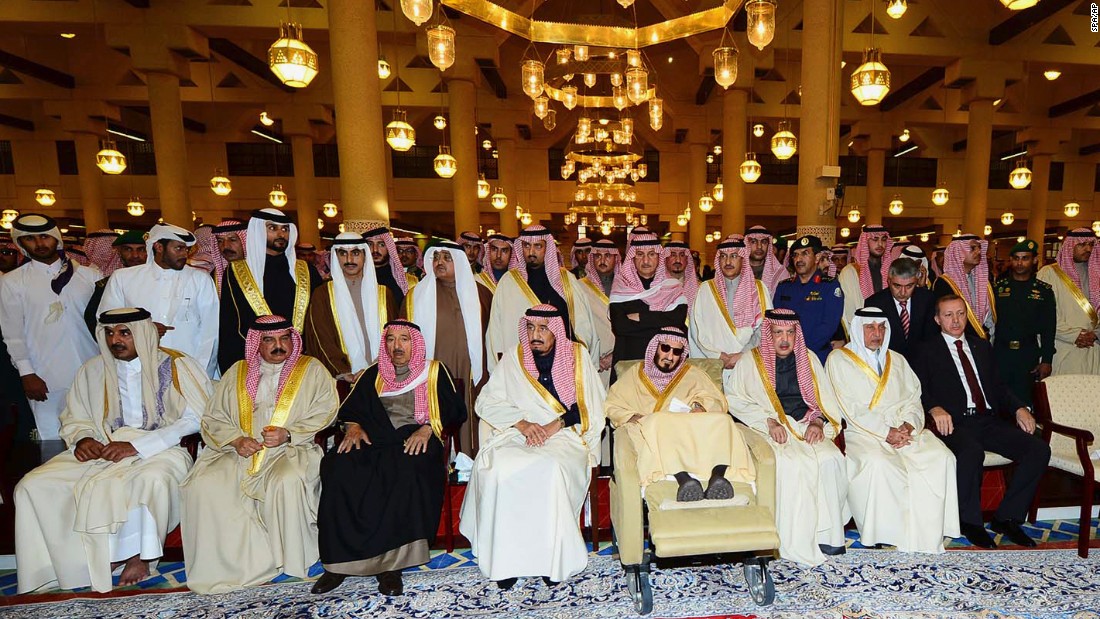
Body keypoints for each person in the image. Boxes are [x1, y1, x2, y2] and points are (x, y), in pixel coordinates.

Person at [15, 308, 211, 593]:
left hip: (162, 448)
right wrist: (82, 439)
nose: (114, 340)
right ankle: (61, 564)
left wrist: (136, 446)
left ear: (142, 332)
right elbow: (75, 416)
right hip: (104, 446)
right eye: (109, 333)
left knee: (150, 480)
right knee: (33, 485)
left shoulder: (178, 366)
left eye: (123, 333)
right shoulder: (92, 369)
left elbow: (197, 417)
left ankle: (138, 557)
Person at [181, 315, 339, 593]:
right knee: (203, 485)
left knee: (286, 481)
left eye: (284, 339)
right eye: (269, 340)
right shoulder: (237, 372)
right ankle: (229, 564)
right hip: (238, 452)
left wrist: (289, 433)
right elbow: (213, 417)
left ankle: (288, 560)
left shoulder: (311, 369)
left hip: (291, 450)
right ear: (257, 343)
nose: (278, 346)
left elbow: (327, 410)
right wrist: (235, 439)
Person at [313, 320, 465, 595]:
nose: (397, 346)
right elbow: (351, 410)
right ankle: (338, 564)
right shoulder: (375, 373)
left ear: (415, 343)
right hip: (375, 439)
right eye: (391, 340)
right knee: (338, 467)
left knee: (404, 470)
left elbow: (454, 410)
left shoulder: (433, 371)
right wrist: (354, 426)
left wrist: (427, 428)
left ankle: (390, 567)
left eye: (404, 339)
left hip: (414, 438)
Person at [460, 305, 606, 589]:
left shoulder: (577, 356)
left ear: (556, 331)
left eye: (542, 329)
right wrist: (521, 423)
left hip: (565, 434)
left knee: (549, 470)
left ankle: (551, 561)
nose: (535, 335)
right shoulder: (514, 359)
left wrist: (554, 426)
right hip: (518, 433)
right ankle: (505, 562)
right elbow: (486, 402)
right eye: (530, 328)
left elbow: (589, 407)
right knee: (499, 470)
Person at [909, 295, 1050, 548]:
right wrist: (934, 407)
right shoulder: (925, 350)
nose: (956, 320)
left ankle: (1007, 517)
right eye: (949, 315)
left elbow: (997, 386)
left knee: (1038, 449)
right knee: (971, 452)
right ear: (937, 319)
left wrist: (1019, 408)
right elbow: (917, 389)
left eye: (961, 313)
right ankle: (970, 522)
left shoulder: (981, 346)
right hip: (953, 423)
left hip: (987, 420)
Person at [825, 307, 959, 553]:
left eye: (881, 327)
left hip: (905, 429)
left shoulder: (897, 359)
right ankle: (887, 535)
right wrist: (886, 432)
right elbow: (850, 408)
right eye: (870, 327)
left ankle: (929, 532)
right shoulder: (838, 359)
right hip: (864, 432)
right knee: (879, 464)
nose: (877, 333)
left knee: (942, 458)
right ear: (857, 329)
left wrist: (908, 425)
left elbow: (913, 398)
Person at [723, 309, 847, 566]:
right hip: (768, 428)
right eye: (778, 332)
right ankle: (790, 538)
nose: (784, 339)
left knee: (831, 458)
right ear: (768, 334)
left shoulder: (809, 359)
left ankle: (826, 535)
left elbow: (827, 401)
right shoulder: (749, 362)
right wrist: (767, 421)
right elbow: (734, 400)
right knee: (792, 465)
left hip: (804, 425)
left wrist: (818, 421)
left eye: (790, 333)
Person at [605, 327, 754, 498]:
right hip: (652, 431)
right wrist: (634, 417)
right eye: (665, 348)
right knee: (658, 420)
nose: (669, 356)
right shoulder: (634, 375)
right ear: (655, 347)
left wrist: (700, 406)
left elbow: (717, 401)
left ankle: (717, 477)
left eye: (676, 352)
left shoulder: (692, 374)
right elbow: (612, 405)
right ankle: (683, 479)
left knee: (724, 421)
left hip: (690, 432)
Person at [0, 214, 100, 440]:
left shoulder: (88, 276)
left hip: (92, 367)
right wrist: (27, 373)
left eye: (44, 236)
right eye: (29, 239)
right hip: (44, 374)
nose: (38, 244)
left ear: (56, 238)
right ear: (20, 244)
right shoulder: (12, 282)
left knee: (98, 432)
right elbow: (12, 333)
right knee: (52, 437)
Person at [403, 241, 493, 456]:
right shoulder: (416, 296)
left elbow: (492, 333)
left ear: (460, 262)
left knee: (471, 415)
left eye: (446, 257)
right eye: (436, 257)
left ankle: (471, 460)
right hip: (433, 371)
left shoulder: (482, 294)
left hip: (472, 370)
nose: (439, 262)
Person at [100, 224, 220, 377]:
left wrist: (200, 373)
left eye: (186, 249)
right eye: (178, 248)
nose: (184, 254)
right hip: (138, 370)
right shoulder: (123, 278)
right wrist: (143, 329)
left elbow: (211, 332)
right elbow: (106, 322)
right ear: (158, 247)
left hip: (188, 369)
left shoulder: (200, 279)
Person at [218, 209, 322, 373]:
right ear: (258, 231)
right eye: (272, 228)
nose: (281, 234)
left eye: (285, 229)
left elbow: (318, 320)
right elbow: (230, 323)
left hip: (302, 360)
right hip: (254, 361)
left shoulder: (307, 271)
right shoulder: (237, 271)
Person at [486, 225, 599, 370]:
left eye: (538, 246)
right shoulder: (509, 282)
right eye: (527, 246)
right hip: (521, 365)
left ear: (548, 248)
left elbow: (583, 324)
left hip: (563, 364)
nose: (531, 252)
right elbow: (496, 328)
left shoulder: (566, 280)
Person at [302, 232, 383, 382]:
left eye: (356, 253)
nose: (349, 259)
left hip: (382, 376)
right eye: (343, 253)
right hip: (342, 378)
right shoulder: (323, 294)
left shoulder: (384, 294)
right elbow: (321, 338)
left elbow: (393, 337)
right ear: (335, 256)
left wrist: (378, 368)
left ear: (365, 256)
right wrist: (342, 371)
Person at [690, 236, 770, 377]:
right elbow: (697, 329)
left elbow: (765, 327)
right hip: (713, 363)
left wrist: (742, 354)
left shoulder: (759, 288)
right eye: (723, 257)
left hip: (749, 362)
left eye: (733, 256)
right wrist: (719, 356)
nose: (728, 262)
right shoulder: (706, 289)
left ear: (743, 259)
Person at [609, 232, 688, 372]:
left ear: (659, 257)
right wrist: (660, 322)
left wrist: (641, 317)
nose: (645, 260)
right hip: (629, 361)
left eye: (651, 254)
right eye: (640, 254)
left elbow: (677, 321)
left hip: (665, 364)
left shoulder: (673, 287)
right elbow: (620, 327)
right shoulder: (621, 286)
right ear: (632, 258)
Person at [994, 239, 1056, 404]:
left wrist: (1047, 360)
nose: (1019, 262)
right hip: (1001, 353)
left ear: (1034, 260)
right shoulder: (998, 288)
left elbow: (1049, 329)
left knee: (1026, 401)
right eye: (1016, 258)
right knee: (999, 401)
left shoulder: (1044, 291)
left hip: (1027, 354)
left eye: (1025, 258)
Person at [773, 235, 845, 364]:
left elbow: (828, 325)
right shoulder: (784, 287)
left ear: (817, 258)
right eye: (795, 255)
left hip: (816, 357)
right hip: (785, 357)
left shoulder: (829, 287)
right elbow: (775, 322)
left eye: (805, 254)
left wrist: (799, 350)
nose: (799, 259)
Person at [1037, 228, 1099, 375]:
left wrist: (1096, 334)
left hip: (1094, 348)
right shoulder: (1048, 273)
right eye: (1082, 244)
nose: (1088, 249)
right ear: (1070, 246)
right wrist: (1074, 335)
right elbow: (1042, 314)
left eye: (1091, 244)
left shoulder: (1097, 274)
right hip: (1064, 348)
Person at [864, 258, 938, 358]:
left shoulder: (927, 299)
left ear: (916, 281)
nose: (903, 292)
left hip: (922, 363)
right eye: (897, 286)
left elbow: (931, 338)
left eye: (909, 286)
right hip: (889, 362)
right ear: (889, 281)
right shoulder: (874, 303)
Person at [932, 234, 995, 340]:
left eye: (979, 248)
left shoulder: (984, 281)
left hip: (985, 342)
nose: (978, 252)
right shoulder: (944, 283)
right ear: (958, 251)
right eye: (972, 248)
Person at [84, 229, 148, 333]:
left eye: (141, 249)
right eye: (128, 249)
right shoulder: (109, 283)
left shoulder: (162, 280)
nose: (135, 255)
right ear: (119, 252)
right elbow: (93, 319)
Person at [578, 239, 619, 386]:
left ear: (616, 258)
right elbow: (578, 328)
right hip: (592, 362)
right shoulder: (579, 287)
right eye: (597, 256)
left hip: (623, 358)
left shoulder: (628, 288)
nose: (602, 260)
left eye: (608, 255)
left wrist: (615, 354)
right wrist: (594, 358)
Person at [838, 225, 893, 329]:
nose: (880, 244)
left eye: (884, 239)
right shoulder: (850, 272)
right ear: (865, 241)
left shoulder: (891, 270)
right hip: (860, 329)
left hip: (886, 328)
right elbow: (847, 311)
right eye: (875, 239)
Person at [365, 226, 418, 313]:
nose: (375, 250)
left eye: (381, 244)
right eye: (370, 244)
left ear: (389, 248)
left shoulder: (402, 279)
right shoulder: (359, 277)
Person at [745, 226, 788, 295]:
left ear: (769, 245)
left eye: (764, 242)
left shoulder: (779, 273)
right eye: (753, 242)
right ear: (746, 244)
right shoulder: (737, 271)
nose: (759, 246)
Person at [212, 218, 247, 292]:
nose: (225, 246)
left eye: (232, 240)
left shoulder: (262, 271)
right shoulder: (214, 276)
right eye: (220, 241)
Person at [664, 241, 701, 307]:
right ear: (665, 259)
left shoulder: (700, 289)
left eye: (682, 255)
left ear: (687, 260)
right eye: (673, 255)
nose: (678, 260)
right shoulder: (656, 287)